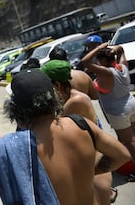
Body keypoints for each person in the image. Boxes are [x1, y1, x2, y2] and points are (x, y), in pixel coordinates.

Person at [0, 68, 130, 204]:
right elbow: (122, 155)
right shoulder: (80, 124)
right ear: (53, 96)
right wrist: (88, 171)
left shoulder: (23, 147)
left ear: (15, 107)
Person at [41, 59, 117, 204]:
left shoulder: (76, 101)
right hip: (86, 162)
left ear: (56, 84)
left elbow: (56, 127)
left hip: (93, 165)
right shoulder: (70, 98)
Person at [82, 42, 135, 182]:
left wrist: (99, 47)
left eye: (99, 60)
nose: (98, 62)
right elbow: (121, 49)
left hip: (119, 112)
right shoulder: (122, 67)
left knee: (130, 141)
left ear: (104, 60)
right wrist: (110, 49)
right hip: (131, 103)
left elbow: (84, 61)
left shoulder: (106, 72)